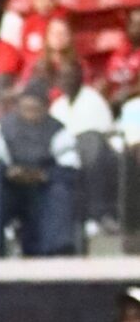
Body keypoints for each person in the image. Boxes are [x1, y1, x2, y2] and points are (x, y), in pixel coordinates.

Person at [0, 81, 80, 256]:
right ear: (18, 107)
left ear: (45, 108)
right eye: (26, 108)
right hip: (9, 187)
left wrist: (43, 175)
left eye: (35, 109)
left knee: (61, 193)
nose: (30, 114)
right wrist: (7, 173)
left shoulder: (58, 131)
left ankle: (57, 251)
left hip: (43, 188)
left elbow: (69, 169)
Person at [50, 58, 117, 235]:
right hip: (66, 158)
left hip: (97, 157)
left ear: (80, 77)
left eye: (71, 76)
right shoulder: (58, 106)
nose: (67, 80)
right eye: (63, 76)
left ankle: (97, 216)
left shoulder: (93, 99)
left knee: (90, 144)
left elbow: (99, 136)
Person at [100, 9, 140, 111]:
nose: (137, 28)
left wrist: (124, 96)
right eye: (133, 23)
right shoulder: (119, 52)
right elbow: (109, 78)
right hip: (115, 102)